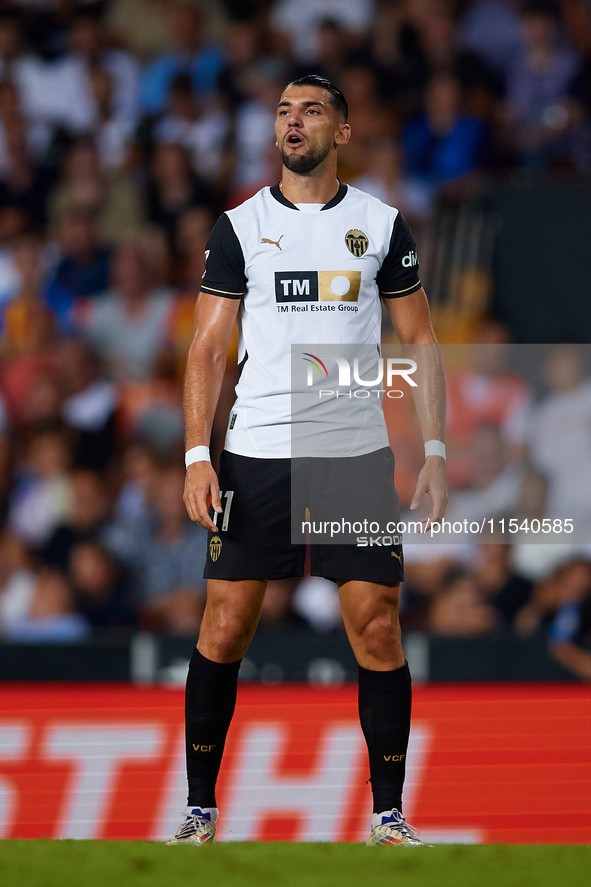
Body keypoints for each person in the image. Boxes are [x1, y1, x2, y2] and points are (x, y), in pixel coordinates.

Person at [171, 75, 447, 848]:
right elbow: (206, 348)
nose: (294, 122)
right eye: (285, 111)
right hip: (255, 455)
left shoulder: (380, 223)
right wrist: (198, 455)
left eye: (312, 110)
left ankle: (388, 816)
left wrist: (432, 451)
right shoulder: (240, 224)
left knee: (377, 626)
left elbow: (420, 340)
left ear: (343, 131)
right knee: (225, 625)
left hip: (351, 458)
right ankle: (199, 813)